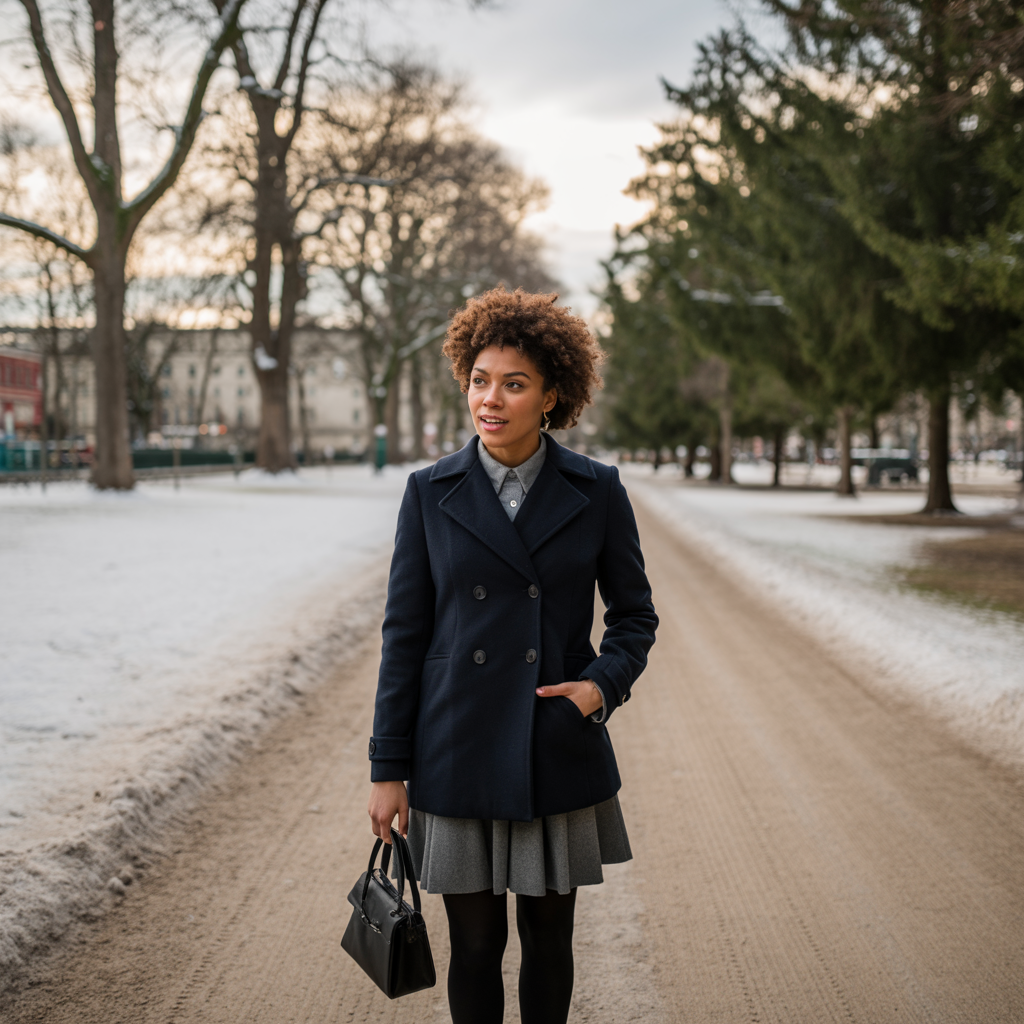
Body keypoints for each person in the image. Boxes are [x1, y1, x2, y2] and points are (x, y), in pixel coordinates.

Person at [366, 286, 658, 1024]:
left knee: (550, 943)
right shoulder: (429, 493)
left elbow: (634, 618)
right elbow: (404, 636)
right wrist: (387, 769)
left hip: (551, 744)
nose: (490, 400)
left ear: (552, 394)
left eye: (514, 384)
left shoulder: (597, 491)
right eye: (480, 380)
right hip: (456, 746)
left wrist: (598, 689)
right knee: (473, 945)